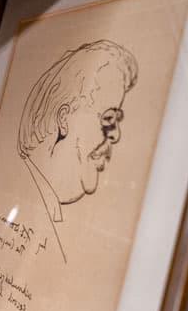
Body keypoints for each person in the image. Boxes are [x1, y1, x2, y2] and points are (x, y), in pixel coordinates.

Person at [16, 40, 138, 259]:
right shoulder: (18, 202)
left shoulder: (46, 208)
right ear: (64, 119)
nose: (116, 134)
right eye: (108, 118)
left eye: (117, 119)